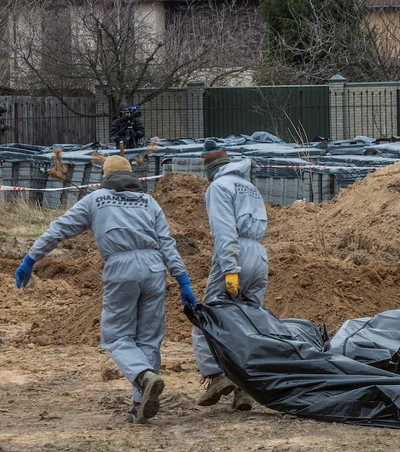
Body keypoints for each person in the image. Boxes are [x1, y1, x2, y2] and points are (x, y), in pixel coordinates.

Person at [14, 156, 197, 424]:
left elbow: (59, 230)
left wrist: (31, 258)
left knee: (117, 336)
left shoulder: (95, 200)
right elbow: (167, 244)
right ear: (132, 175)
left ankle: (143, 376)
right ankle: (139, 402)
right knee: (148, 337)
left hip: (121, 267)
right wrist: (183, 281)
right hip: (155, 267)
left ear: (105, 176)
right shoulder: (149, 202)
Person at [193, 139, 268, 411]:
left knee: (208, 317)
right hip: (259, 256)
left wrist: (230, 270)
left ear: (210, 169)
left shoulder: (218, 188)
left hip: (236, 255)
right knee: (247, 323)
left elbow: (226, 232)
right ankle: (244, 388)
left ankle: (216, 375)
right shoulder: (250, 187)